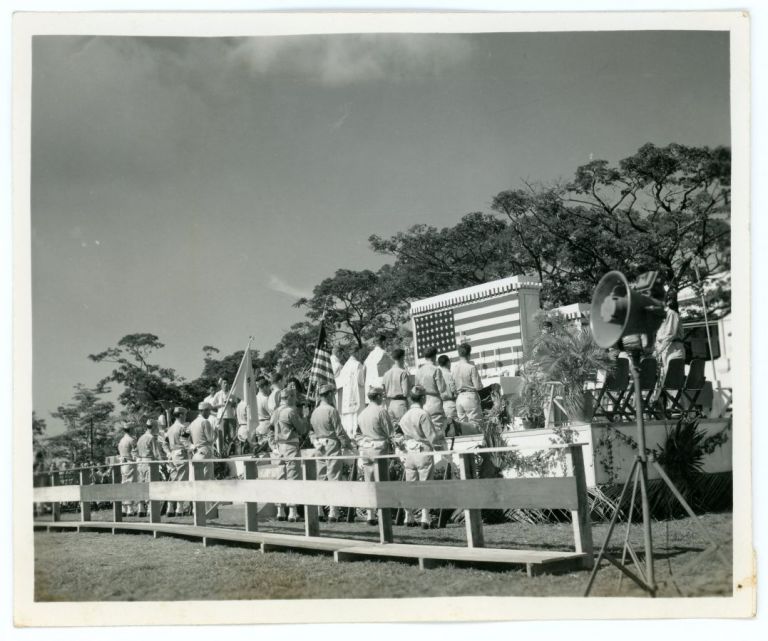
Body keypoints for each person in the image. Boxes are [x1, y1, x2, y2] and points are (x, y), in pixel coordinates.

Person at [398, 385, 446, 529]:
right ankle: (425, 517)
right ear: (423, 398)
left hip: (409, 451)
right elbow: (432, 437)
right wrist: (441, 442)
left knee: (410, 485)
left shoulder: (405, 416)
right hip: (422, 450)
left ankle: (409, 516)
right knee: (426, 484)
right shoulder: (423, 414)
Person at [309, 383, 354, 522]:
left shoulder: (315, 412)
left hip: (319, 444)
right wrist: (348, 444)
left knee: (321, 477)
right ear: (329, 395)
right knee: (334, 477)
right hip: (331, 444)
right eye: (333, 394)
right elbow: (339, 431)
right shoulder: (331, 410)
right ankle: (333, 512)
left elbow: (312, 430)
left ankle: (319, 509)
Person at [270, 387, 310, 522]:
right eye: (293, 396)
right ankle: (292, 512)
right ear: (289, 397)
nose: (295, 399)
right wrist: (305, 416)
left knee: (280, 477)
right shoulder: (290, 411)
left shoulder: (276, 412)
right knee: (293, 476)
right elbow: (302, 429)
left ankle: (280, 511)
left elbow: (270, 428)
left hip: (278, 447)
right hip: (290, 445)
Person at [357, 385, 395, 525]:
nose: (383, 398)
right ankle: (382, 514)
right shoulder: (381, 411)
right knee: (381, 483)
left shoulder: (362, 413)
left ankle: (370, 515)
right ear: (378, 396)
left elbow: (358, 434)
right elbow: (390, 432)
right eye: (382, 396)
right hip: (379, 450)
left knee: (369, 482)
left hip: (365, 449)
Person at [165, 406, 191, 517]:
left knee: (173, 481)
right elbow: (185, 442)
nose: (185, 417)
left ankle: (170, 507)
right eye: (184, 415)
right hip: (181, 455)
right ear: (180, 415)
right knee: (182, 481)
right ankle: (179, 509)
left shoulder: (170, 429)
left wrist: (168, 453)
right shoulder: (182, 428)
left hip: (172, 455)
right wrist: (192, 448)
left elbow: (164, 443)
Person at [451, 343, 485, 428]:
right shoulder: (471, 367)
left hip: (459, 398)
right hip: (470, 397)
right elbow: (478, 386)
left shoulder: (454, 369)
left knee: (463, 427)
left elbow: (452, 388)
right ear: (469, 354)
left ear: (459, 354)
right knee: (476, 425)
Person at [415, 346, 448, 433]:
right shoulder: (436, 370)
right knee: (438, 430)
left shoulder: (419, 371)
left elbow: (416, 389)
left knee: (426, 431)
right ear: (434, 356)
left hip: (423, 403)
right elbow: (442, 388)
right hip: (434, 402)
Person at [654, 291, 686, 378]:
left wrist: (658, 350)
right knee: (666, 379)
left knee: (672, 380)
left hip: (673, 349)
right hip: (666, 350)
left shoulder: (671, 313)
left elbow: (670, 334)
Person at [135, 419, 161, 517]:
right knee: (151, 485)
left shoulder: (141, 438)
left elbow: (136, 452)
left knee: (142, 485)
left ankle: (140, 508)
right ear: (153, 427)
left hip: (140, 463)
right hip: (149, 462)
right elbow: (156, 454)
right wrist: (163, 462)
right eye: (157, 427)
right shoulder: (151, 438)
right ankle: (150, 509)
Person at [339, 349, 366, 439]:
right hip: (356, 395)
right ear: (356, 352)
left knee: (348, 418)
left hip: (346, 397)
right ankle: (356, 435)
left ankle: (349, 435)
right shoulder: (357, 365)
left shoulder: (345, 366)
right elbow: (361, 381)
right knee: (356, 416)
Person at [382, 347, 411, 424]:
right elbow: (406, 393)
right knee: (404, 427)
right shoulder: (403, 372)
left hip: (390, 404)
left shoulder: (386, 374)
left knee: (394, 429)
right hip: (401, 403)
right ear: (402, 358)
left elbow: (383, 392)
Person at [189, 401, 216, 481]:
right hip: (205, 452)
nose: (209, 413)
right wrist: (216, 433)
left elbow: (189, 439)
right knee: (208, 479)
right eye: (208, 411)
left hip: (196, 453)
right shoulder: (205, 422)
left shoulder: (192, 423)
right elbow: (210, 440)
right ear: (204, 411)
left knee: (198, 480)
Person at [363, 334, 394, 403]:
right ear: (383, 342)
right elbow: (393, 369)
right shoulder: (384, 354)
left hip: (370, 389)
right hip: (380, 389)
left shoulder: (369, 356)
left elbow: (364, 371)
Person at [117, 422, 138, 517]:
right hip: (130, 463)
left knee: (124, 484)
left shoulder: (121, 440)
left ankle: (124, 508)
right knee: (130, 484)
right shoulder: (132, 440)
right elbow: (135, 454)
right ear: (131, 429)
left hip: (122, 464)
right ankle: (130, 508)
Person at [212, 378, 238, 452]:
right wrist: (222, 404)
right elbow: (213, 406)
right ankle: (222, 452)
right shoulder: (218, 394)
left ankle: (232, 451)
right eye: (224, 383)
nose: (226, 384)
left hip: (231, 417)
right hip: (221, 417)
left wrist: (231, 403)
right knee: (222, 436)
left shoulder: (232, 393)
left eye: (227, 383)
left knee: (232, 436)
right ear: (221, 385)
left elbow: (235, 404)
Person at [254, 376, 273, 453]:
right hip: (266, 425)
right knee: (269, 449)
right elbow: (272, 413)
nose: (269, 389)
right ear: (265, 387)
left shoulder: (255, 398)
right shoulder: (265, 399)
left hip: (258, 426)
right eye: (268, 387)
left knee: (261, 450)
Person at [438, 354, 458, 422]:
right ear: (448, 362)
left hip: (442, 406)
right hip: (451, 404)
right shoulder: (450, 374)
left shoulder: (438, 376)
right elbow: (454, 391)